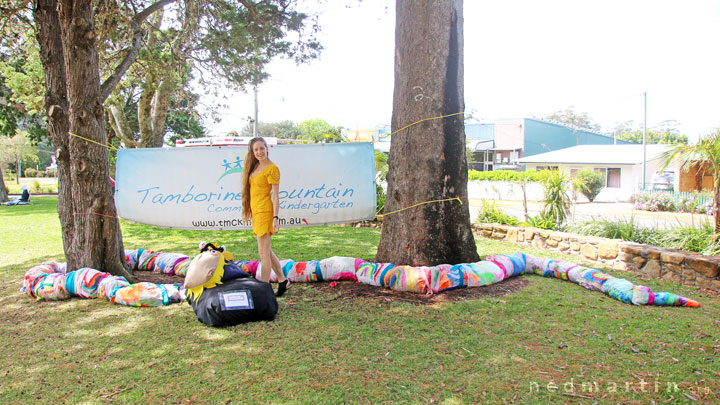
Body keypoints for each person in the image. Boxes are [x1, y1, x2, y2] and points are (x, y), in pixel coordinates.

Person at [241, 137, 291, 297]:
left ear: (267, 148)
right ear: (252, 152)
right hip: (257, 212)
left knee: (263, 254)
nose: (259, 152)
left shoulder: (272, 168)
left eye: (261, 148)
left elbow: (275, 196)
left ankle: (264, 290)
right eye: (256, 150)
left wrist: (275, 218)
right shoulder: (254, 167)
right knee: (267, 251)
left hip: (265, 212)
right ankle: (283, 281)